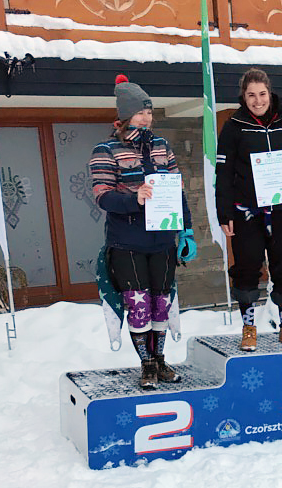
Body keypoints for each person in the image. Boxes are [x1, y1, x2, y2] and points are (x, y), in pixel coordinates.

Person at [89, 75, 197, 389]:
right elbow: (102, 196)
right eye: (141, 112)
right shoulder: (105, 149)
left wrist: (186, 231)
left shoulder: (162, 146)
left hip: (162, 240)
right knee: (138, 304)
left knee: (161, 304)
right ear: (125, 115)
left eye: (149, 111)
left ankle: (161, 360)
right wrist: (134, 199)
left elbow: (177, 192)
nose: (147, 117)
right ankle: (146, 364)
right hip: (127, 242)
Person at [216, 68, 282, 352]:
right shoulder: (234, 126)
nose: (258, 101)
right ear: (243, 97)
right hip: (247, 212)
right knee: (247, 267)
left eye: (262, 94)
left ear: (270, 93)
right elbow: (224, 172)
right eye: (251, 95)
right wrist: (224, 212)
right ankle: (249, 327)